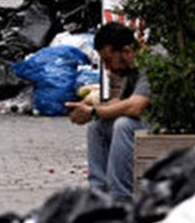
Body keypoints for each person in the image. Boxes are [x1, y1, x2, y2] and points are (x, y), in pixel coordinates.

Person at [64, 22, 151, 201]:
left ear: (126, 51)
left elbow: (136, 106)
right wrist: (88, 110)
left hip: (164, 124)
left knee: (124, 125)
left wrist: (94, 111)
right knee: (98, 126)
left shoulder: (150, 63)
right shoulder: (131, 70)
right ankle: (98, 193)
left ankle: (121, 197)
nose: (109, 67)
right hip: (147, 120)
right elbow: (121, 102)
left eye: (109, 60)